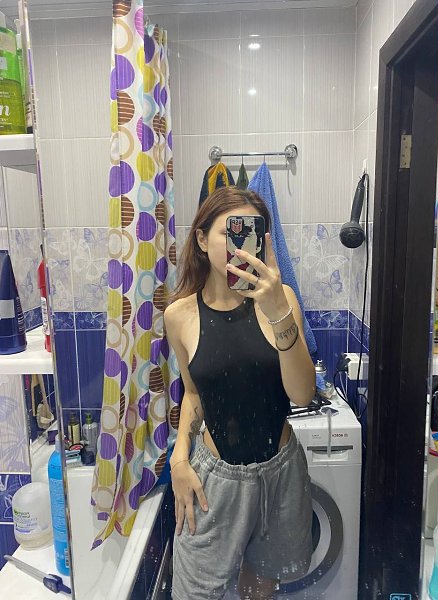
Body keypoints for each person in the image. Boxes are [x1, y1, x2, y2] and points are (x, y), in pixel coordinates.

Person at [164, 186, 315, 600]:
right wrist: (179, 458)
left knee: (259, 590)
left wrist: (278, 311)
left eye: (252, 230)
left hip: (280, 474)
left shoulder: (282, 300)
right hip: (216, 480)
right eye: (231, 230)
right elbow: (193, 394)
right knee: (196, 591)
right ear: (201, 239)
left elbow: (303, 394)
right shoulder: (179, 316)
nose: (242, 241)